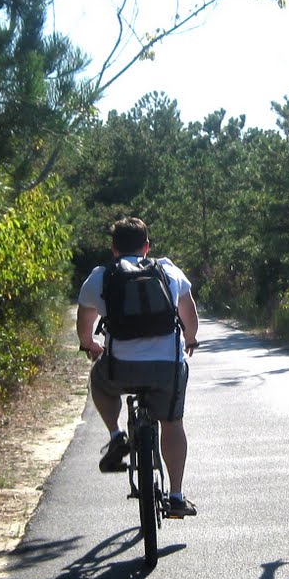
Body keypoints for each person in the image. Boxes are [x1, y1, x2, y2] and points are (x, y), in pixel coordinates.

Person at [77, 217, 201, 517]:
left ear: (113, 249)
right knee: (172, 423)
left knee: (98, 380)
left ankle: (116, 435)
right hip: (167, 368)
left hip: (121, 368)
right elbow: (189, 312)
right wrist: (190, 339)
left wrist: (90, 344)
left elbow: (85, 322)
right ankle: (176, 497)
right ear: (146, 246)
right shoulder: (168, 270)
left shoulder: (101, 276)